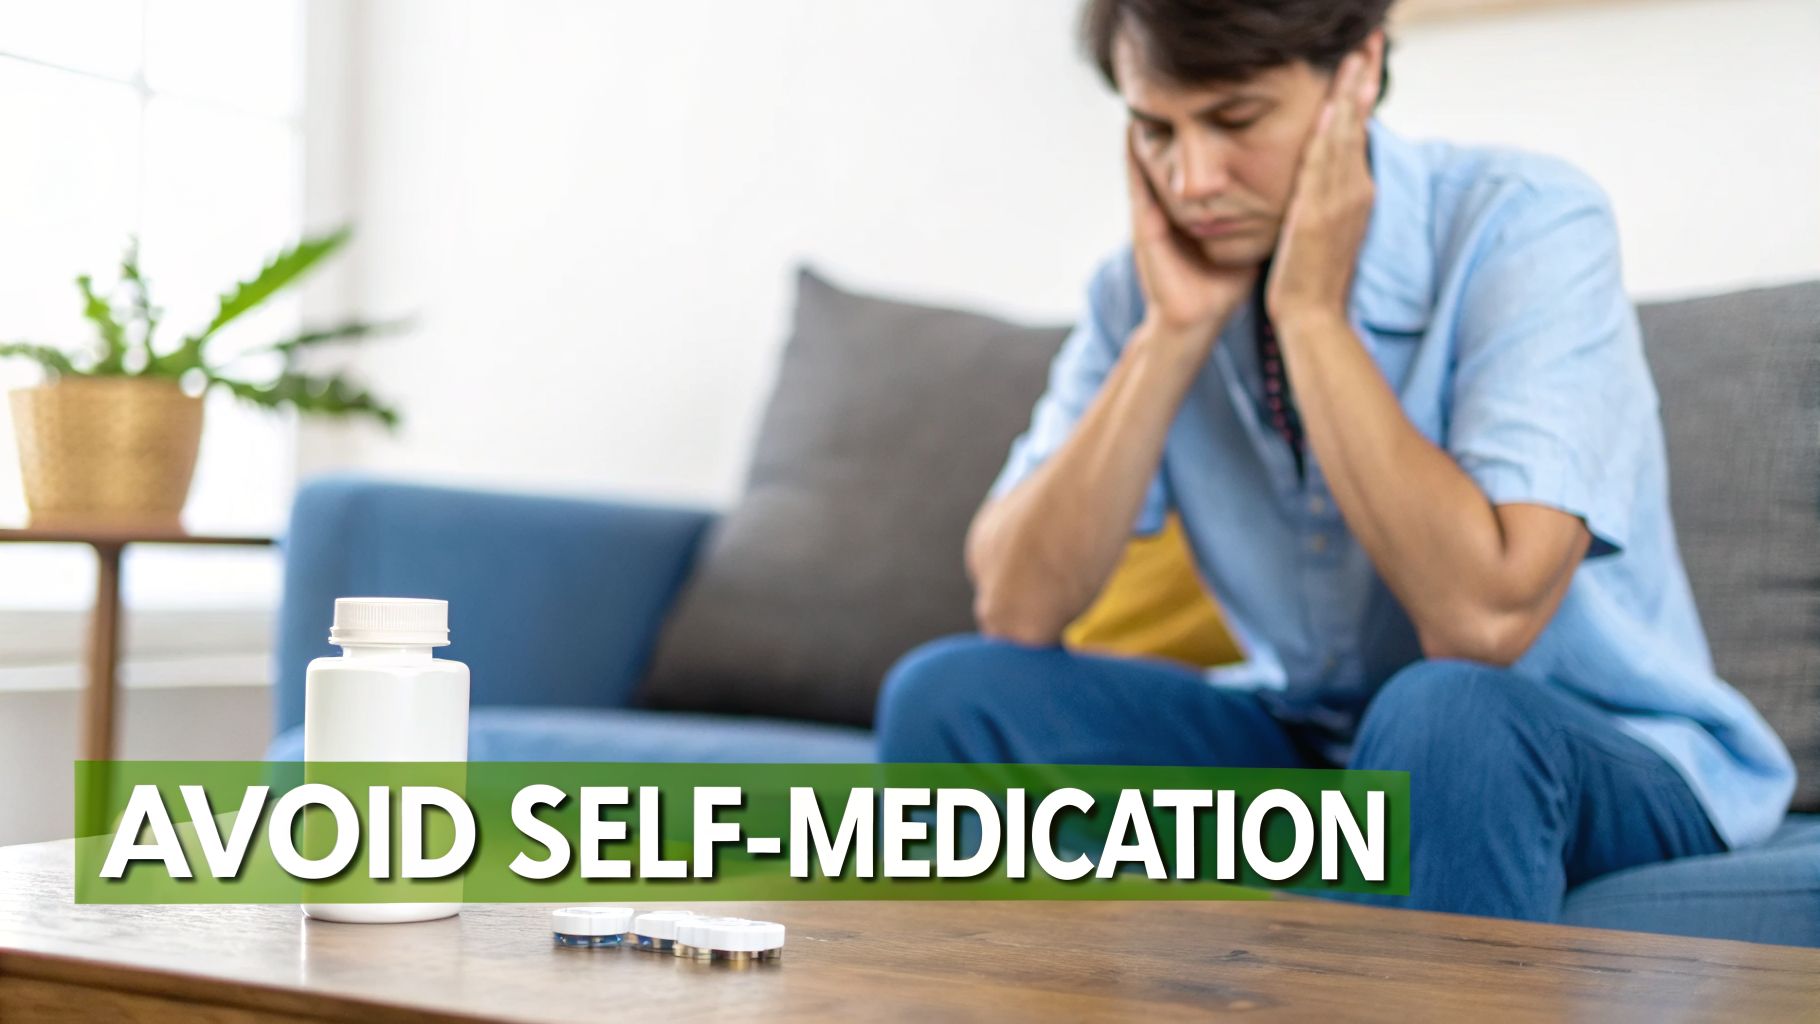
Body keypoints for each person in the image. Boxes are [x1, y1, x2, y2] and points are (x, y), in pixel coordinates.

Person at [874, 0, 1794, 921]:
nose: (1192, 181)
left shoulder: (1526, 223)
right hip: (1316, 745)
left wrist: (1312, 315)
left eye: (1235, 120)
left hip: (1581, 743)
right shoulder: (1138, 291)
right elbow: (1016, 606)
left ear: (1357, 75)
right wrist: (1171, 334)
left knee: (1447, 718)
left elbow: (1482, 622)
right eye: (1156, 132)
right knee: (952, 698)